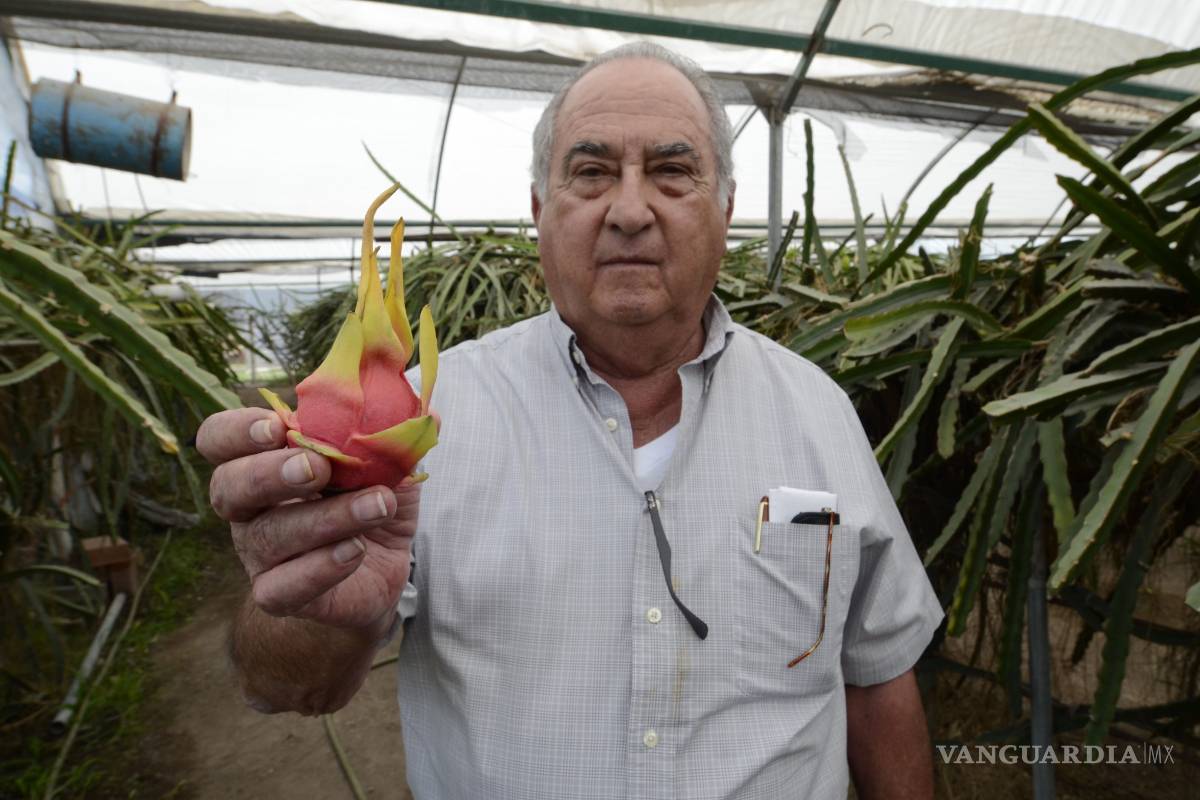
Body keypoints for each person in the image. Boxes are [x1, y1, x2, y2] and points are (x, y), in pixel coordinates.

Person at [198, 42, 944, 800]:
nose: (628, 210)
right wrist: (318, 609)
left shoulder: (816, 409)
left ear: (724, 212)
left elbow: (876, 675)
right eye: (590, 173)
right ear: (538, 214)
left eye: (672, 171)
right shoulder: (420, 419)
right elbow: (285, 684)